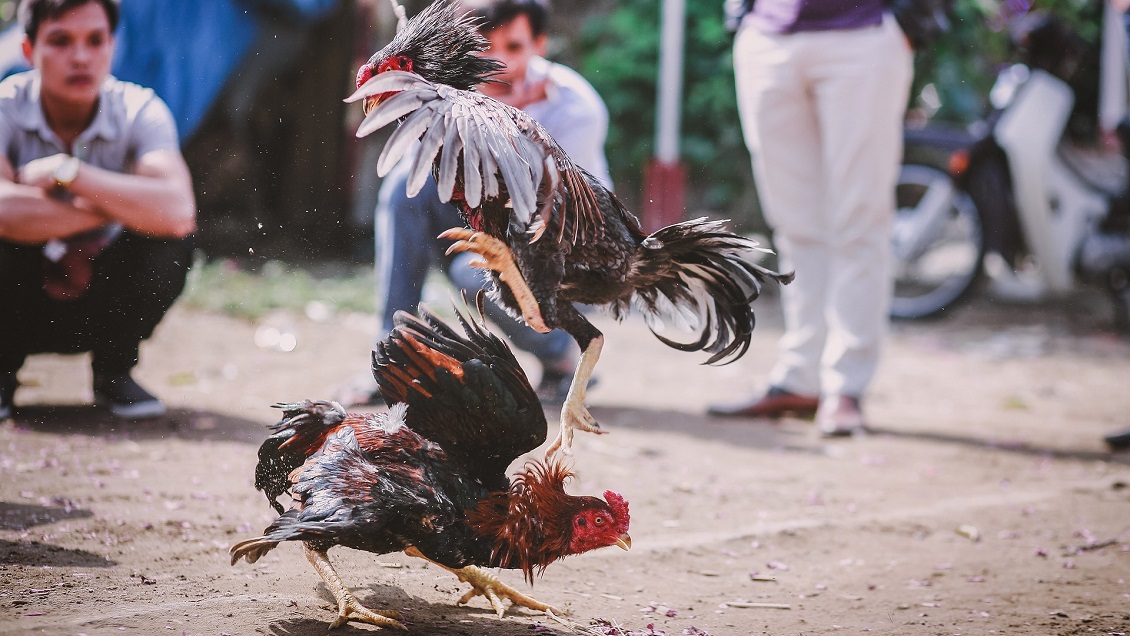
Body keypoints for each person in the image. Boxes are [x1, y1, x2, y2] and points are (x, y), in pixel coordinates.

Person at [346, 0, 612, 405]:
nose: (498, 61)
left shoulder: (576, 108)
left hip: (563, 255)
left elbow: (551, 213)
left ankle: (564, 352)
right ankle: (393, 355)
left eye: (514, 47)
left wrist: (500, 121)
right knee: (405, 186)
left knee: (477, 275)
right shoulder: (455, 93)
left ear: (540, 44)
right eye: (484, 47)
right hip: (492, 225)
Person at [708, 0, 915, 436]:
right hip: (768, 34)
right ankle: (801, 376)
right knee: (793, 222)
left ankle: (846, 387)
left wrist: (910, 23)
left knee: (860, 219)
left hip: (863, 32)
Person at [0, 0, 197, 421]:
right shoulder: (3, 109)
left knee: (171, 244)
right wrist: (124, 207)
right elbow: (2, 211)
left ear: (112, 45)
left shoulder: (140, 109)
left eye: (95, 40)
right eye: (60, 40)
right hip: (19, 298)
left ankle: (114, 369)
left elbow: (179, 211)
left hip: (101, 297)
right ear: (29, 51)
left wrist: (67, 174)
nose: (80, 57)